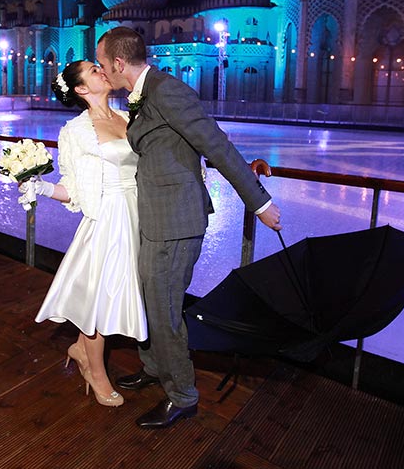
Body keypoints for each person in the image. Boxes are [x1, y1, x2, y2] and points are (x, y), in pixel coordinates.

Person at [95, 26, 283, 429]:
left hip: (176, 222)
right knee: (150, 300)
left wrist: (260, 202)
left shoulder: (167, 91)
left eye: (102, 63)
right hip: (155, 216)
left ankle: (182, 396)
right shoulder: (144, 94)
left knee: (164, 309)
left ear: (119, 63)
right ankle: (154, 367)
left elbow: (214, 143)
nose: (101, 70)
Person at [29, 59, 148, 407]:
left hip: (137, 214)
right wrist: (39, 186)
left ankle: (82, 350)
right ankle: (96, 373)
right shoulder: (75, 132)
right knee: (96, 300)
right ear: (81, 89)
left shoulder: (127, 117)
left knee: (121, 293)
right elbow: (73, 189)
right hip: (106, 220)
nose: (102, 70)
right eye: (93, 70)